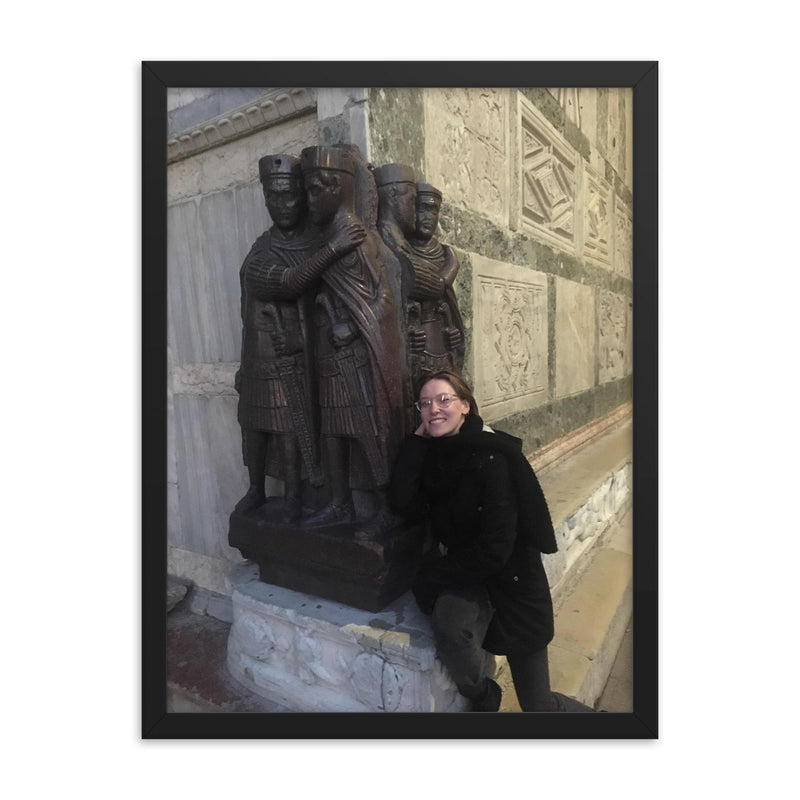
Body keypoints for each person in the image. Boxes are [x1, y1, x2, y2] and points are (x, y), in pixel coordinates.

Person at [389, 369, 597, 712]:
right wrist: (415, 441)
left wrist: (431, 576)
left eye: (444, 400)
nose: (434, 409)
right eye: (425, 404)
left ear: (466, 406)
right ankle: (484, 697)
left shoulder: (493, 458)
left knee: (538, 705)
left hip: (513, 582)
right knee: (450, 626)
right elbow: (402, 503)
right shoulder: (436, 455)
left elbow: (496, 548)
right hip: (470, 576)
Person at [235, 153, 365, 520]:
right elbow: (288, 283)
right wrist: (335, 246)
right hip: (260, 354)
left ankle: (295, 496)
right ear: (265, 199)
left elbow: (334, 298)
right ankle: (256, 489)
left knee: (291, 427)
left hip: (300, 359)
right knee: (254, 427)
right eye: (274, 197)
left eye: (290, 195)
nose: (283, 204)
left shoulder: (314, 241)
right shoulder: (262, 251)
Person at [300, 145, 405, 527]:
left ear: (337, 190)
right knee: (332, 432)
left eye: (315, 190)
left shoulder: (355, 236)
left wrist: (354, 325)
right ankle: (340, 503)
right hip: (332, 351)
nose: (309, 199)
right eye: (306, 190)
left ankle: (382, 509)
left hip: (356, 352)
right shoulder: (329, 237)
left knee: (368, 431)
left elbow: (384, 298)